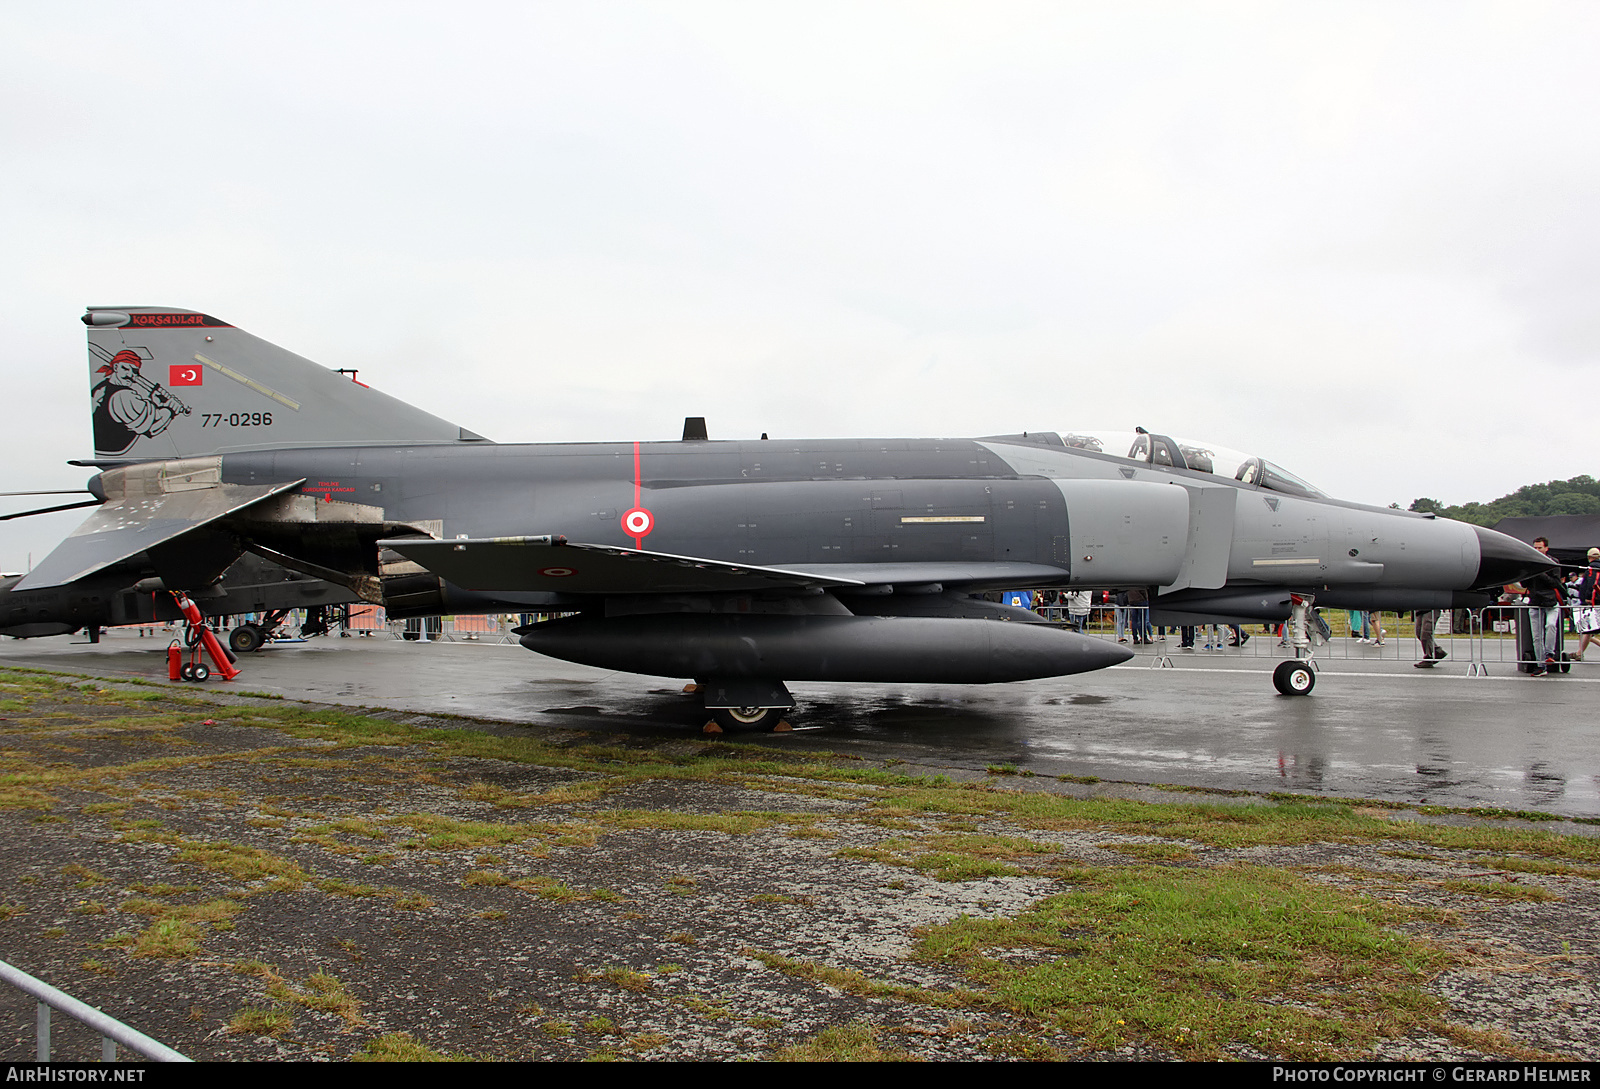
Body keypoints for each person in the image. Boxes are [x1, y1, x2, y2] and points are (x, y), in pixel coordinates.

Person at [1524, 537, 1563, 675]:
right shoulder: (1531, 562)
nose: (1537, 550)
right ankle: (1541, 665)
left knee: (1551, 625)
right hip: (1534, 601)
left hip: (1550, 601)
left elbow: (1555, 583)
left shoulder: (1553, 562)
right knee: (1537, 636)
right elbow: (1524, 584)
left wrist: (1540, 573)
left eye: (1539, 547)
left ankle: (1549, 654)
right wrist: (1527, 572)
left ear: (1546, 548)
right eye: (1535, 548)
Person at [1577, 547, 1600, 662]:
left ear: (1589, 557)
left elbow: (1590, 584)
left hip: (1593, 602)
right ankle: (1579, 653)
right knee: (1589, 630)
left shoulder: (1591, 569)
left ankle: (1579, 653)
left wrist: (1587, 598)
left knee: (1588, 629)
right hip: (1597, 601)